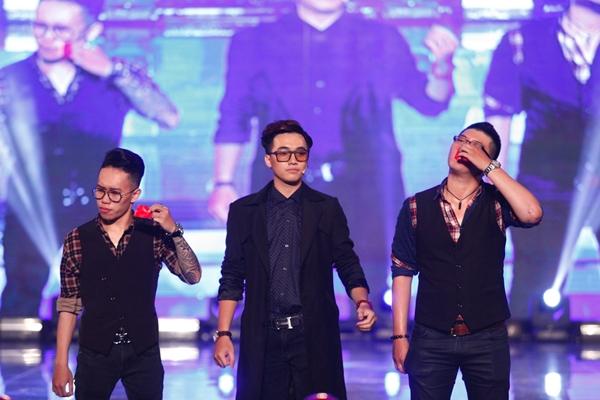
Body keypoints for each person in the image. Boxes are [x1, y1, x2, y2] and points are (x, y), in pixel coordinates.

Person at [208, 0, 459, 297]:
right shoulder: (255, 41)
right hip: (284, 186)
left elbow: (429, 102)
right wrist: (223, 183)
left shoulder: (380, 38)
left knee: (368, 291)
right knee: (281, 291)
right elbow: (233, 115)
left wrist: (442, 65)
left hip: (365, 188)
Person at [0, 0, 179, 317]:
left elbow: (168, 116)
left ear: (91, 30)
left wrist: (113, 72)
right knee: (21, 292)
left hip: (99, 203)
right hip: (31, 205)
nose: (47, 37)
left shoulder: (114, 77)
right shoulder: (11, 79)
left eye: (60, 29)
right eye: (40, 26)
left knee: (100, 298)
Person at [213, 120, 376, 400]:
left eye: (300, 153)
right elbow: (232, 274)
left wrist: (362, 302)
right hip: (263, 336)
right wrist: (224, 333)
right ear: (268, 159)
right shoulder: (244, 211)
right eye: (283, 153)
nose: (292, 160)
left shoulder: (326, 208)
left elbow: (347, 262)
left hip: (314, 334)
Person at [391, 122, 542, 399]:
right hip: (431, 336)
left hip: (487, 336)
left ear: (487, 159)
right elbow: (402, 271)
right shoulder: (415, 206)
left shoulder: (497, 203)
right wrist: (399, 336)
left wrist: (490, 168)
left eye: (476, 146)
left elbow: (532, 214)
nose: (464, 147)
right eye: (461, 139)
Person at [484, 0, 600, 325]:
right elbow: (499, 118)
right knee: (531, 296)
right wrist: (495, 187)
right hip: (543, 184)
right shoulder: (522, 41)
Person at [51, 148, 201, 399]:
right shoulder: (78, 238)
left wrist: (174, 231)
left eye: (114, 193)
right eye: (100, 190)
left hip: (144, 352)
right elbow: (69, 304)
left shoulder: (153, 234)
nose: (104, 200)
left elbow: (193, 276)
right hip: (95, 353)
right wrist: (60, 362)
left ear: (135, 195)